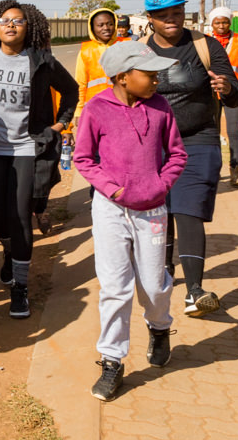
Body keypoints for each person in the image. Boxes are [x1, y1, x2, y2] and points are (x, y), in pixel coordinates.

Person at [74, 40, 187, 401]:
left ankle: (159, 326)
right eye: (149, 74)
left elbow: (177, 154)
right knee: (115, 287)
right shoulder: (96, 108)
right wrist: (114, 190)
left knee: (153, 285)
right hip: (111, 209)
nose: (156, 79)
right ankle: (112, 361)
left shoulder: (161, 107)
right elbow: (84, 158)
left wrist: (160, 184)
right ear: (122, 77)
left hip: (152, 209)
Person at [0, 0, 77, 319]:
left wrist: (58, 126)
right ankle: (7, 248)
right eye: (4, 20)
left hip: (27, 151)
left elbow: (70, 91)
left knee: (20, 217)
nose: (11, 25)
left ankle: (20, 287)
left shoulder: (41, 60)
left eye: (18, 21)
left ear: (28, 27)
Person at [144, 0, 238, 317]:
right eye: (162, 15)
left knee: (187, 209)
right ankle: (163, 276)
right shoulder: (139, 52)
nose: (171, 19)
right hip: (152, 145)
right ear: (151, 19)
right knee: (160, 215)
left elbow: (235, 95)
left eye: (176, 12)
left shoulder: (204, 45)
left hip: (198, 140)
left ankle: (194, 291)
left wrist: (227, 88)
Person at [208, 6, 238, 187]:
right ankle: (212, 170)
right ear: (211, 24)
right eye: (217, 22)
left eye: (225, 21)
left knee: (234, 132)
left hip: (235, 93)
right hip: (210, 93)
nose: (221, 25)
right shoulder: (204, 41)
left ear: (230, 22)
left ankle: (236, 171)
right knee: (212, 133)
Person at [74, 8, 126, 124]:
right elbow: (80, 84)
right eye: (100, 25)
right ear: (92, 28)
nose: (106, 28)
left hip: (123, 107)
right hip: (95, 109)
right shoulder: (86, 51)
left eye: (110, 24)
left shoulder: (126, 45)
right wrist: (79, 110)